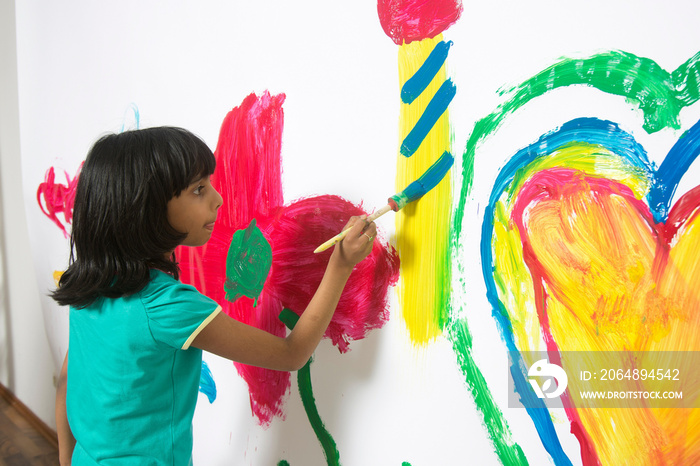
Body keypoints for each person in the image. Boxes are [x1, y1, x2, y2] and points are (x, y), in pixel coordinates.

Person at [52, 127, 376, 465]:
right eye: (199, 189)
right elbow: (292, 354)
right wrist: (340, 265)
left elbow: (65, 382)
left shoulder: (87, 282)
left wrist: (66, 459)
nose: (218, 198)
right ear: (146, 209)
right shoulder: (169, 307)